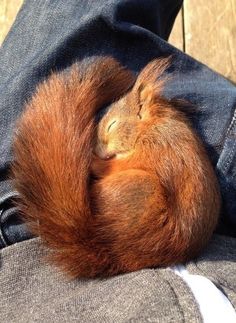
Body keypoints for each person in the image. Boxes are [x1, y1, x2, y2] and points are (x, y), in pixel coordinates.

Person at [0, 0, 235, 322]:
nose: (104, 148)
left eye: (109, 129)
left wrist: (98, 169)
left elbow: (142, 176)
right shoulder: (163, 136)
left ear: (142, 109)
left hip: (24, 241)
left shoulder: (158, 136)